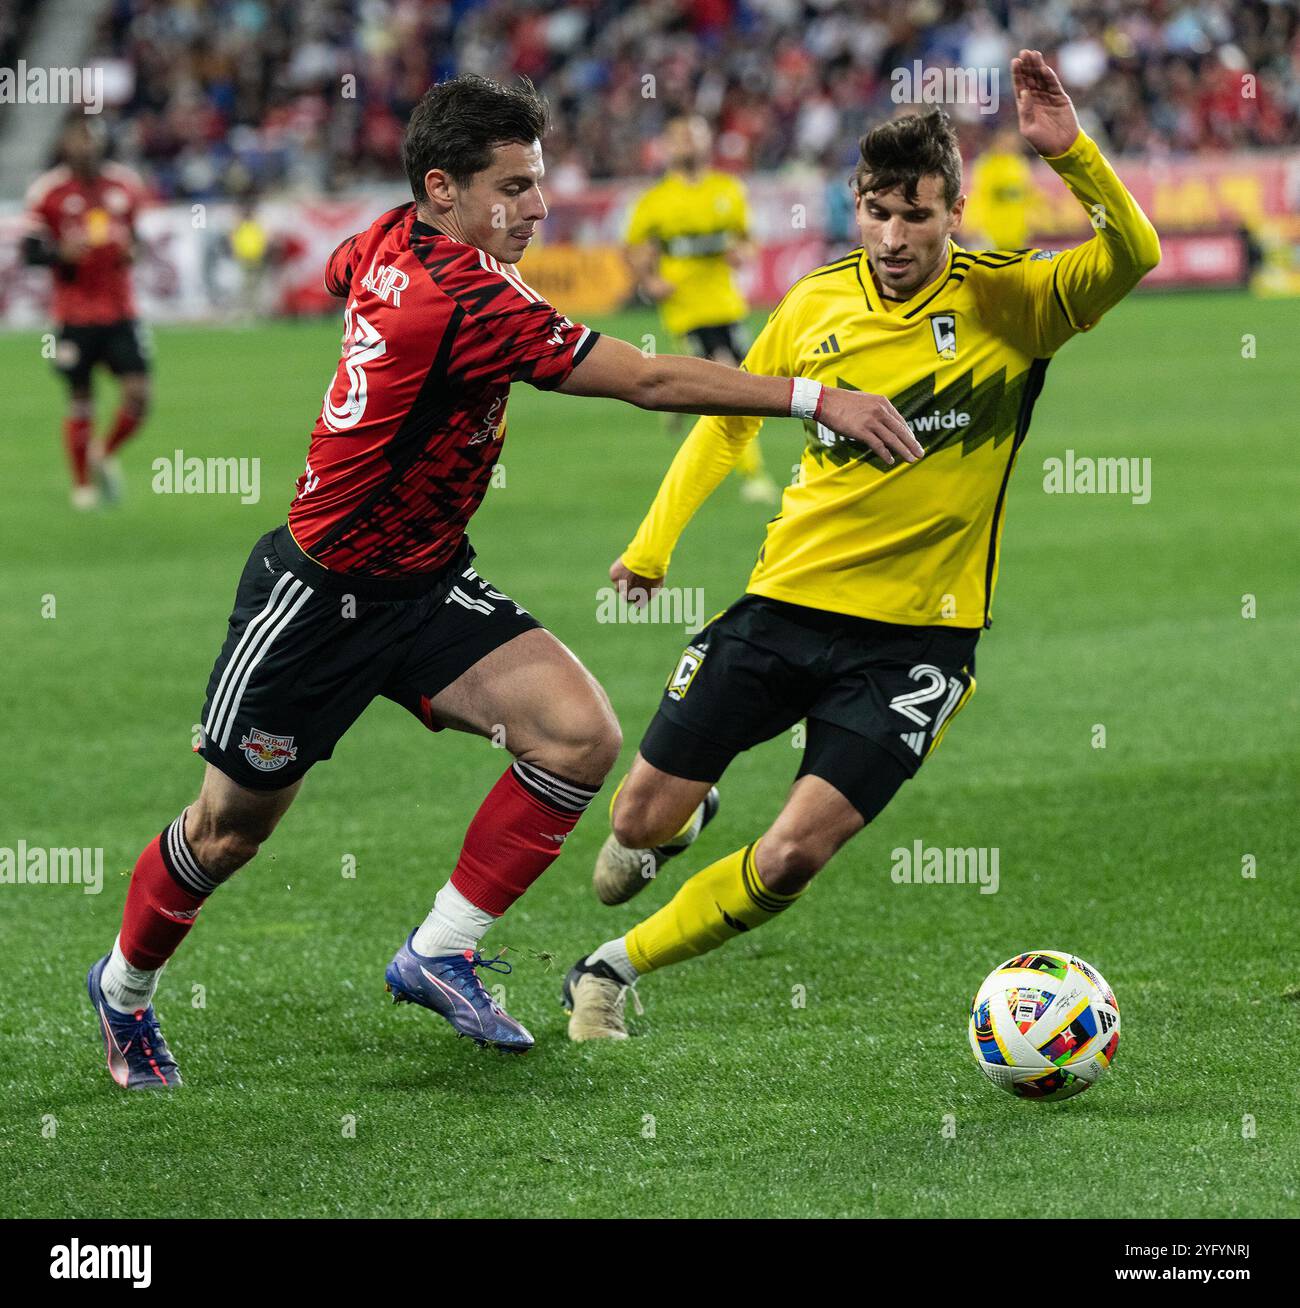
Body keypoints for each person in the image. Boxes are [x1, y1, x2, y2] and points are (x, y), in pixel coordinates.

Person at [85, 74, 920, 1088]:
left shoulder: (390, 237)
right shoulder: (467, 299)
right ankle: (124, 993)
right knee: (227, 832)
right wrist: (814, 397)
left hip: (427, 583)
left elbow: (350, 275)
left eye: (540, 181)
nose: (538, 206)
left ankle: (439, 952)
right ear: (442, 187)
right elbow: (649, 380)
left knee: (578, 736)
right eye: (514, 186)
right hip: (315, 598)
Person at [564, 51, 1161, 1040]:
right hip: (785, 604)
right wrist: (652, 545)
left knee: (796, 853)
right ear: (855, 207)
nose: (892, 237)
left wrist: (1075, 156)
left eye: (915, 215)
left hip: (917, 644)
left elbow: (1132, 252)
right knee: (634, 826)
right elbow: (725, 422)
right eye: (876, 213)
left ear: (951, 212)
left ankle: (609, 972)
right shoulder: (813, 304)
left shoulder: (1010, 302)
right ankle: (686, 814)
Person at [625, 114, 779, 503]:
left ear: (707, 141)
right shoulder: (656, 200)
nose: (688, 143)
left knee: (742, 378)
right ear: (669, 146)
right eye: (680, 137)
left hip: (727, 302)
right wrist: (651, 282)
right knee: (729, 380)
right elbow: (635, 248)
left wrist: (741, 254)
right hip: (686, 307)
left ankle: (678, 397)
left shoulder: (728, 189)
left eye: (695, 135)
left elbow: (747, 240)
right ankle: (754, 476)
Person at [22, 119, 151, 508]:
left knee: (139, 394)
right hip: (73, 315)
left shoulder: (124, 185)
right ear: (65, 144)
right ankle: (83, 486)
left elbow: (137, 237)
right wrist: (59, 254)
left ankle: (103, 452)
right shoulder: (49, 191)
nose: (85, 145)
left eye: (90, 136)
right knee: (80, 395)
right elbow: (29, 252)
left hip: (120, 311)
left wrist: (133, 251)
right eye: (77, 137)